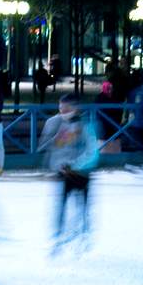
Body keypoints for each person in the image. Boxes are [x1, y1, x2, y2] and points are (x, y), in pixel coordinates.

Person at [39, 94, 100, 254]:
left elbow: (92, 151)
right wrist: (53, 167)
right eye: (60, 108)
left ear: (75, 108)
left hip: (82, 174)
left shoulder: (86, 125)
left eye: (66, 109)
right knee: (61, 206)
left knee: (83, 207)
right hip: (64, 173)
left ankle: (84, 233)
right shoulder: (54, 123)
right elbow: (48, 148)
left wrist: (75, 165)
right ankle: (58, 236)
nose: (63, 112)